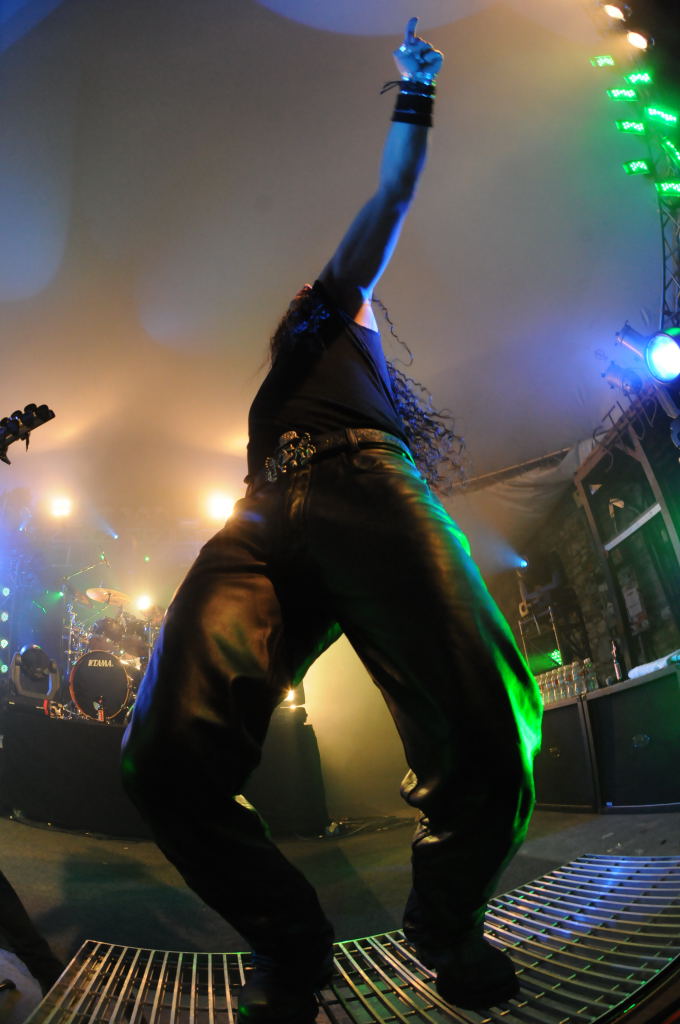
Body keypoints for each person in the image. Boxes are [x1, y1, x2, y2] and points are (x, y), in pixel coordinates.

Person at [121, 17, 542, 1022]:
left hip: (370, 489)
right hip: (261, 518)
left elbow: (391, 194)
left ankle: (447, 924)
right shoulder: (279, 384)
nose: (333, 296)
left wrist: (415, 87)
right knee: (162, 757)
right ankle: (290, 947)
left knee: (490, 727)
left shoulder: (340, 304)